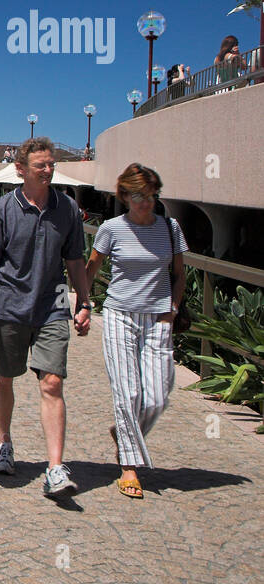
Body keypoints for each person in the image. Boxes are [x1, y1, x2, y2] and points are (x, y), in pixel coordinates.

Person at [0, 137, 92, 499]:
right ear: (21, 170)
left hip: (51, 307)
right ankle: (5, 445)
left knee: (52, 383)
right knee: (4, 379)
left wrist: (85, 302)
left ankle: (55, 467)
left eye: (51, 164)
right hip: (9, 308)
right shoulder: (4, 210)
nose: (48, 170)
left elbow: (74, 261)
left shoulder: (67, 209)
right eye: (41, 165)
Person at [85, 163, 187, 499]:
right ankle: (128, 467)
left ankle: (124, 432)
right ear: (125, 195)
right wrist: (83, 305)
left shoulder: (170, 229)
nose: (147, 202)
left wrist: (172, 311)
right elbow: (92, 267)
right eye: (140, 196)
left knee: (157, 396)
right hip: (120, 315)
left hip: (158, 317)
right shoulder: (112, 229)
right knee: (128, 393)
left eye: (152, 195)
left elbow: (179, 274)